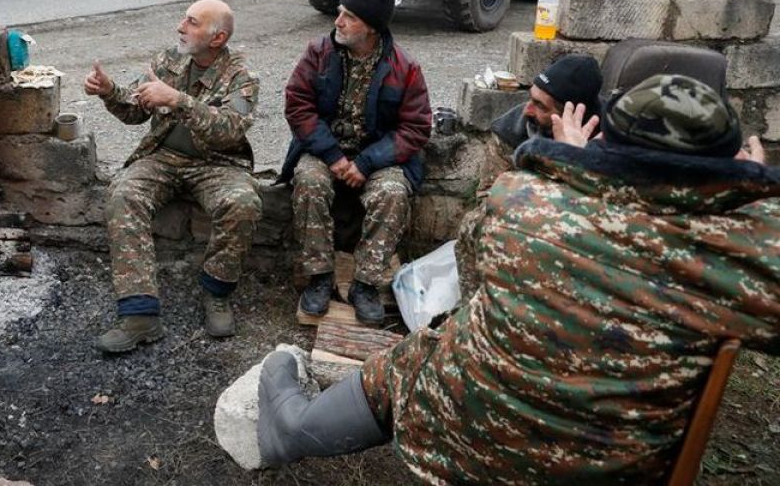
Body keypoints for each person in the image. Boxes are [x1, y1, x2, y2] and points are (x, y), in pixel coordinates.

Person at [256, 74, 779, 484]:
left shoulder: (524, 196)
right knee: (432, 341)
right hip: (606, 471)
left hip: (451, 446)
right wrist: (754, 195)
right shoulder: (744, 252)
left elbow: (475, 258)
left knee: (428, 347)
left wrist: (566, 165)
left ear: (606, 141)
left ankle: (294, 430)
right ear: (727, 164)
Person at [85, 0, 260, 353]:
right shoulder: (170, 59)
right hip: (163, 156)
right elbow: (135, 109)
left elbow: (229, 130)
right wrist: (108, 92)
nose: (181, 26)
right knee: (123, 194)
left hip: (218, 164)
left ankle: (217, 292)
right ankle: (140, 315)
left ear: (217, 38)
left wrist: (179, 100)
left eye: (192, 22)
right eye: (184, 19)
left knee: (243, 203)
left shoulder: (242, 76)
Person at [280, 0, 431, 324]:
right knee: (308, 181)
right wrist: (333, 156)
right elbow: (298, 107)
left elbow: (416, 128)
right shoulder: (318, 53)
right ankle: (319, 277)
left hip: (377, 158)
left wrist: (365, 162)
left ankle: (364, 283)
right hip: (324, 151)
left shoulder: (405, 67)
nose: (338, 22)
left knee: (393, 194)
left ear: (373, 28)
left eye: (350, 16)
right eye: (339, 13)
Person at [456, 54, 602, 297]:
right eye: (531, 98)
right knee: (475, 224)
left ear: (571, 114)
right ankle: (476, 305)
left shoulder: (605, 136)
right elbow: (488, 196)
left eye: (541, 106)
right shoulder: (511, 129)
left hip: (581, 226)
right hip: (523, 215)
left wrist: (576, 161)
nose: (527, 109)